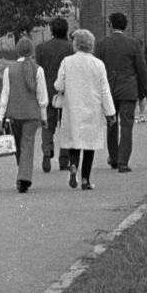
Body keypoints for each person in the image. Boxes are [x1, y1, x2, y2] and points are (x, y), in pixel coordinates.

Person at [53, 28, 115, 191]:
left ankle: (73, 165)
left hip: (73, 107)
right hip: (92, 108)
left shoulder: (67, 61)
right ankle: (86, 179)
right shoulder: (98, 64)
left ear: (76, 43)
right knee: (89, 145)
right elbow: (104, 90)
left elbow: (59, 85)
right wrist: (110, 113)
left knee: (74, 141)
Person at [96, 10, 147, 172]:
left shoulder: (102, 44)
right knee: (127, 126)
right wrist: (144, 92)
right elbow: (141, 69)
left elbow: (97, 68)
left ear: (111, 25)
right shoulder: (134, 44)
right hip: (128, 90)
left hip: (109, 90)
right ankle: (123, 161)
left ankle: (113, 157)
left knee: (112, 125)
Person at [0, 37, 49, 192]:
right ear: (32, 51)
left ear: (17, 51)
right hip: (32, 115)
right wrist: (44, 117)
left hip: (13, 116)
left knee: (19, 147)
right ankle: (24, 176)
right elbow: (42, 97)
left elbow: (5, 95)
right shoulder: (38, 70)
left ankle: (23, 173)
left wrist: (1, 117)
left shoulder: (9, 70)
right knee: (27, 145)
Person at [34, 15, 74, 172]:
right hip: (66, 92)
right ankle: (64, 159)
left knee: (48, 124)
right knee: (66, 125)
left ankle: (47, 149)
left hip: (48, 92)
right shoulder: (71, 48)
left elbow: (40, 70)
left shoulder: (41, 49)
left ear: (51, 30)